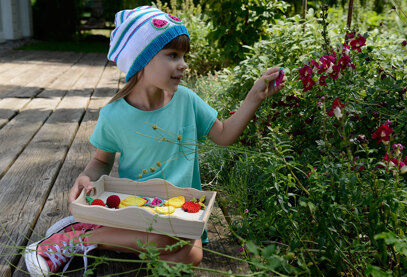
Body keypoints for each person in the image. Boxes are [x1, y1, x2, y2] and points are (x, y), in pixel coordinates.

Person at [24, 5, 285, 276]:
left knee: (191, 256)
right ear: (141, 60)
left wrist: (255, 96)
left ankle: (101, 235)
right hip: (135, 212)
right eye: (172, 55)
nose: (183, 64)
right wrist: (86, 177)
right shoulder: (114, 115)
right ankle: (76, 239)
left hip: (183, 215)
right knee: (162, 241)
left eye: (183, 55)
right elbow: (101, 160)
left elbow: (224, 135)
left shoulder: (187, 101)